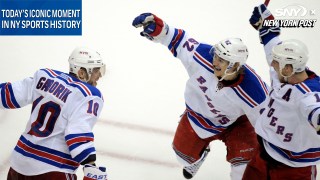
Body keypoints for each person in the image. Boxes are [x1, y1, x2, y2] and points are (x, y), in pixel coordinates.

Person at [132, 13, 269, 179]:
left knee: (243, 172)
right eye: (216, 56)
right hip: (199, 117)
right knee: (182, 157)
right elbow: (178, 40)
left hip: (238, 124)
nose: (215, 62)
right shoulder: (203, 56)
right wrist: (158, 28)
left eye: (221, 59)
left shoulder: (255, 92)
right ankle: (200, 154)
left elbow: (268, 125)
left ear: (234, 65)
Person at [0, 47, 108, 180]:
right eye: (96, 71)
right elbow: (76, 134)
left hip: (18, 164)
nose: (100, 75)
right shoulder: (89, 95)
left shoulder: (44, 75)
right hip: (52, 169)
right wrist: (90, 165)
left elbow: (8, 95)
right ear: (81, 73)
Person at [242, 4, 320, 180]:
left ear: (288, 68)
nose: (272, 64)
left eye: (276, 63)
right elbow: (271, 39)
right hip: (261, 156)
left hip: (293, 171)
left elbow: (315, 109)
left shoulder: (310, 94)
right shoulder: (283, 72)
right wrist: (265, 22)